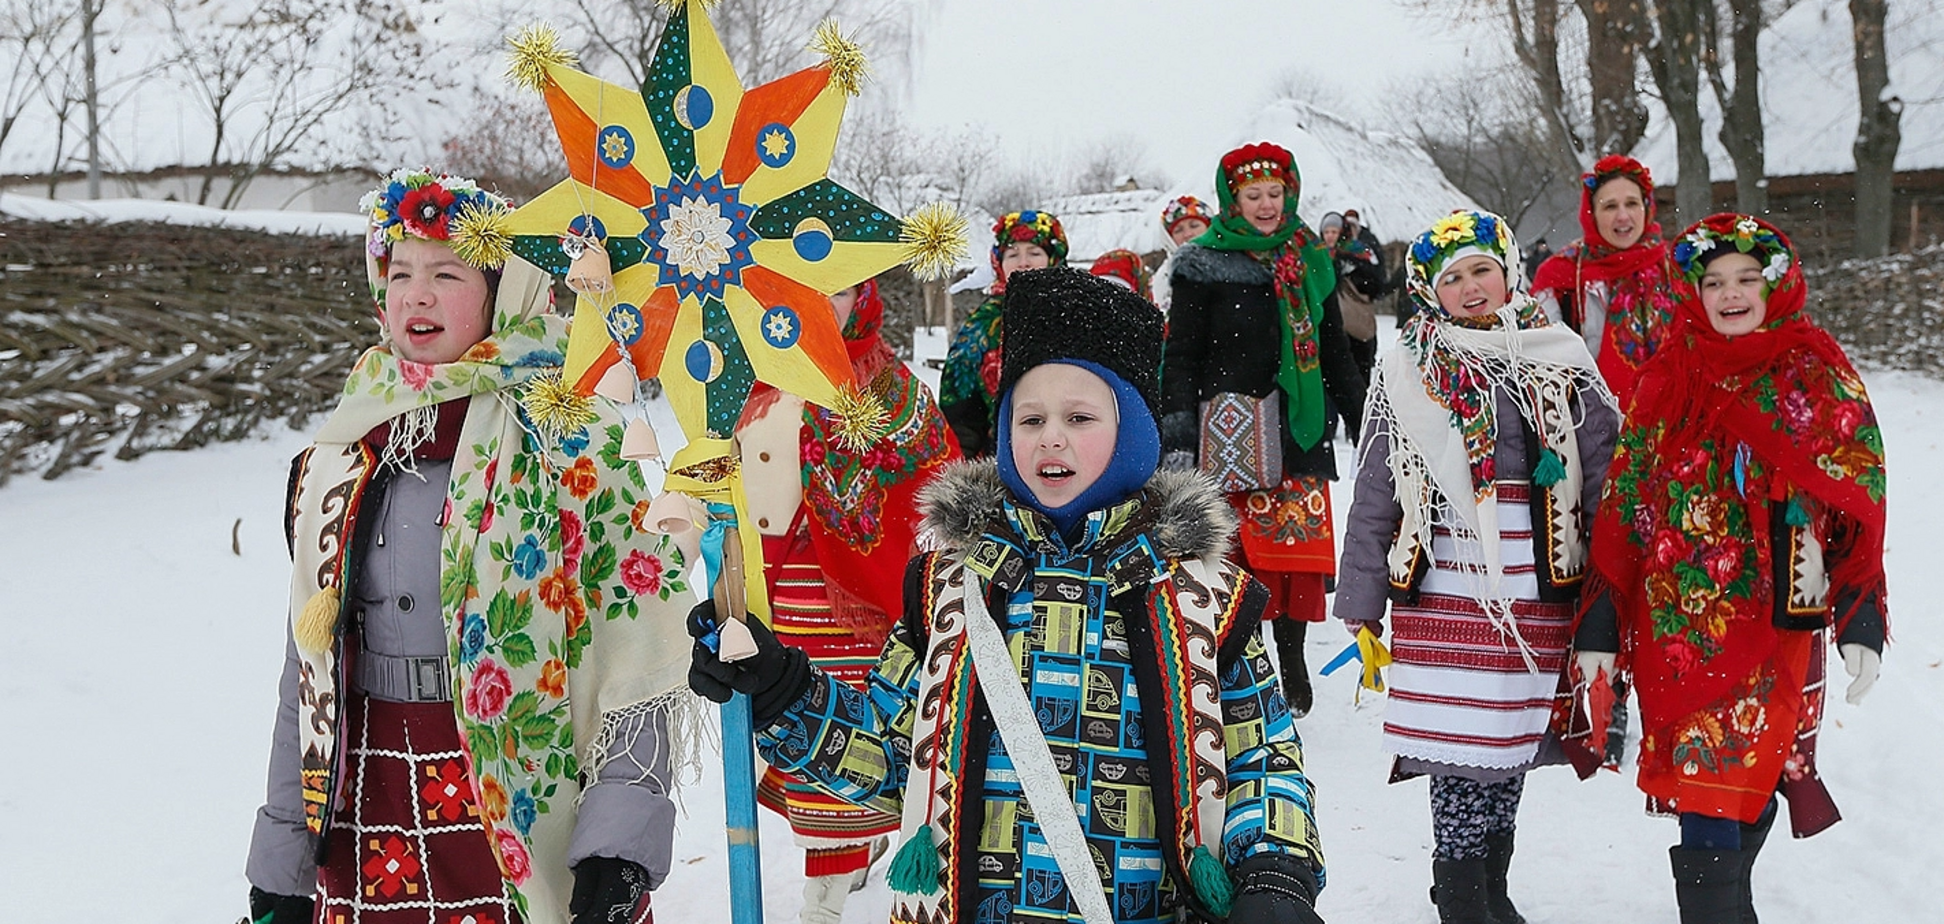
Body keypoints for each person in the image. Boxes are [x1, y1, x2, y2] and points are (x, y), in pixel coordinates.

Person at [689, 267, 1327, 924]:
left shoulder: (1202, 598)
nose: (1051, 435)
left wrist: (1276, 875)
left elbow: (1263, 757)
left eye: (1080, 416)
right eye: (1031, 417)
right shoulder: (948, 590)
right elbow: (888, 760)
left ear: (1134, 431)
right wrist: (781, 688)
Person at [243, 169, 701, 924]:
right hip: (366, 798)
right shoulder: (347, 442)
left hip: (521, 798)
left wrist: (618, 849)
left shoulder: (567, 434)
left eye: (446, 273)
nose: (415, 295)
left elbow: (639, 648)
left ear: (501, 291)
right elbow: (309, 659)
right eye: (400, 273)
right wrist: (285, 862)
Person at [1570, 214, 1887, 923]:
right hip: (1683, 624)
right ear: (1693, 292)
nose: (1730, 293)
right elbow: (1626, 503)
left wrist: (1861, 613)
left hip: (1780, 624)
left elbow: (1855, 498)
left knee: (1754, 784)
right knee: (1703, 793)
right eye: (1713, 281)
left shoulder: (1819, 375)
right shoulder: (1666, 376)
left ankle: (1728, 891)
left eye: (1747, 278)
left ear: (1776, 286)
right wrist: (1601, 618)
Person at [1334, 208, 1617, 924]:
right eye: (1451, 277)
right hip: (1446, 589)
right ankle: (1462, 899)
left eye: (1481, 269)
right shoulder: (1408, 369)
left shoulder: (1558, 354)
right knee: (1459, 754)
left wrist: (1615, 582)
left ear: (1509, 271)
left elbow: (1606, 473)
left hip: (1536, 583)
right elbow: (1376, 486)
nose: (1469, 287)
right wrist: (1362, 594)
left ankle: (1491, 887)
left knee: (1511, 746)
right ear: (1430, 290)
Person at [735, 277, 962, 924]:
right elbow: (722, 466)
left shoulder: (892, 388)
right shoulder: (755, 379)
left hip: (861, 600)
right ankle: (847, 853)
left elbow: (935, 479)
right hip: (769, 592)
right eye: (807, 288)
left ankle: (825, 896)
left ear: (862, 298)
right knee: (790, 725)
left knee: (844, 732)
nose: (823, 304)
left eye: (838, 291)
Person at [1162, 141, 1368, 717]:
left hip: (1298, 430)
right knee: (1236, 562)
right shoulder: (1202, 265)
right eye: (1253, 195)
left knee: (1294, 557)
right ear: (1232, 199)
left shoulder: (1310, 260)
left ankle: (1293, 657)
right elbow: (1179, 356)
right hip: (1229, 432)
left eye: (1275, 193)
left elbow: (1334, 351)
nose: (1266, 205)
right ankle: (1244, 665)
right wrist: (1177, 436)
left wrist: (1364, 418)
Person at [1530, 155, 1687, 404]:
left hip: (1675, 418)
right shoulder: (1563, 274)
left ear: (1647, 208)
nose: (1623, 216)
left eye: (1632, 203)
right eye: (1610, 206)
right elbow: (1545, 362)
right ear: (1592, 214)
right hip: (1596, 424)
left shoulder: (1677, 266)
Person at [940, 209, 1068, 458]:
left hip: (1068, 453)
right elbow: (960, 407)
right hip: (997, 460)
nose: (1023, 262)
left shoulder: (1076, 314)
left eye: (1034, 253)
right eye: (1012, 254)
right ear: (999, 262)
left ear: (1053, 259)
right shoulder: (983, 323)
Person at [1151, 194, 1215, 316]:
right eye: (1178, 230)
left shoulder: (1230, 263)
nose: (1188, 234)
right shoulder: (1164, 277)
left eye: (1194, 225)